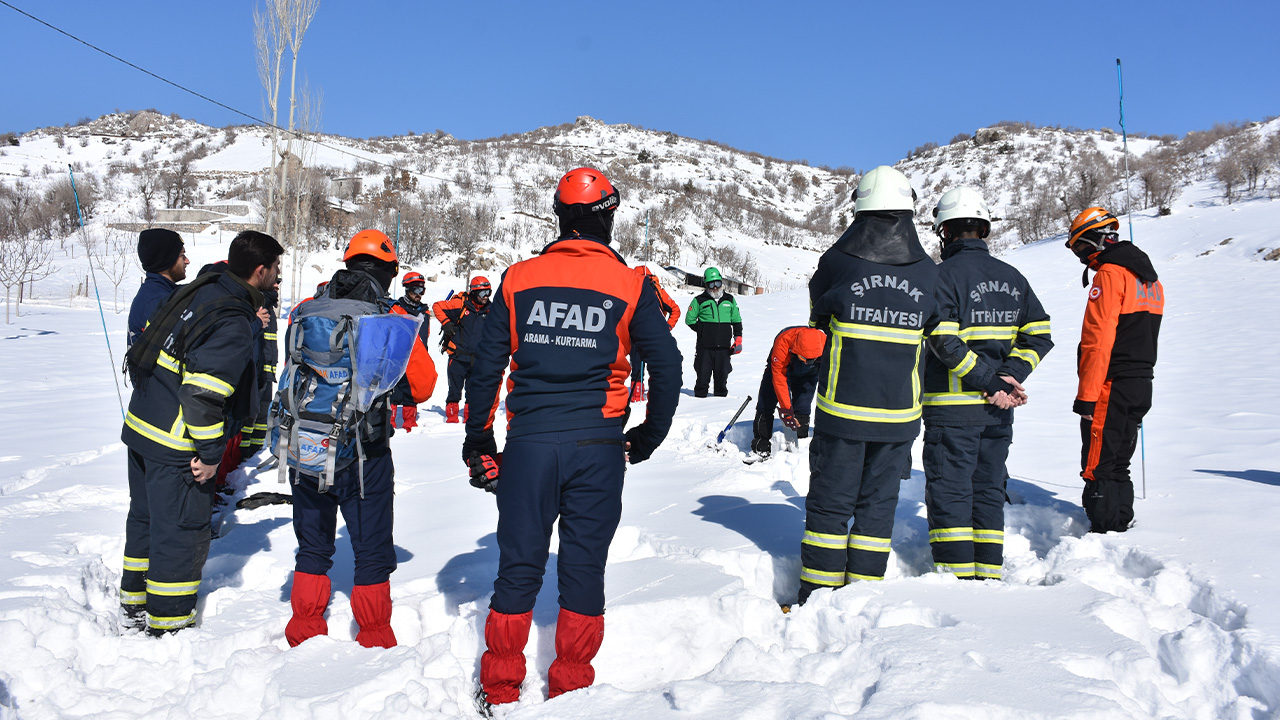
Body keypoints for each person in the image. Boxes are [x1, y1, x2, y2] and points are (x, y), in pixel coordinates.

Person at [463, 167, 681, 709]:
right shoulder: (631, 285)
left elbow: (486, 369)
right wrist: (647, 435)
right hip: (598, 448)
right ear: (608, 217)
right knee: (583, 567)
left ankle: (500, 688)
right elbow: (669, 368)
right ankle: (570, 691)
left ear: (559, 217)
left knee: (519, 565)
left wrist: (479, 441)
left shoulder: (518, 279)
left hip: (531, 444)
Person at [119, 230, 283, 635]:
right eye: (277, 268)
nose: (279, 275)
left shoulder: (204, 289)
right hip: (177, 443)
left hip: (143, 427)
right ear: (260, 271)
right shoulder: (232, 318)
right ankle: (168, 624)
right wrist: (210, 455)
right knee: (180, 531)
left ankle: (135, 601)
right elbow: (202, 394)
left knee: (146, 518)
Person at [283, 229, 437, 649]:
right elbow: (423, 387)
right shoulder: (391, 317)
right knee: (370, 549)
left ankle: (303, 630)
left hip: (307, 443)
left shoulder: (305, 309)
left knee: (312, 547)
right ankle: (374, 638)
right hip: (364, 453)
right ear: (389, 271)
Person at [799, 166, 940, 605]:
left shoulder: (836, 262)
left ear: (859, 208)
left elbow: (816, 316)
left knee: (830, 504)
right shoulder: (929, 274)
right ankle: (862, 596)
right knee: (877, 509)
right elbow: (937, 331)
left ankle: (818, 596)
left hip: (844, 411)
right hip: (899, 417)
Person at [921, 186, 1054, 580]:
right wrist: (1011, 377)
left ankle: (958, 579)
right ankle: (988, 573)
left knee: (951, 491)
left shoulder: (940, 276)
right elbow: (1040, 335)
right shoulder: (1013, 277)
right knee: (989, 490)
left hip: (954, 409)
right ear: (984, 229)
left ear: (945, 232)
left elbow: (944, 341)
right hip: (999, 412)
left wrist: (993, 382)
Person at [1066, 207, 1163, 533]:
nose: (1081, 256)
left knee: (1098, 464)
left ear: (1097, 240)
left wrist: (1087, 399)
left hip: (1111, 383)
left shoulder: (1109, 274)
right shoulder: (1149, 279)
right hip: (1141, 382)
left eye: (1080, 247)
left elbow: (1098, 340)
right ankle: (1120, 524)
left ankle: (1104, 532)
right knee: (1120, 461)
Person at [750, 326, 827, 459]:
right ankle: (761, 446)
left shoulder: (825, 342)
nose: (807, 362)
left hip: (809, 374)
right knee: (766, 401)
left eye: (811, 360)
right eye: (805, 358)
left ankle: (800, 445)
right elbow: (779, 379)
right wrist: (787, 411)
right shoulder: (783, 342)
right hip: (780, 368)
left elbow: (830, 374)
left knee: (803, 406)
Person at [433, 275, 492, 423]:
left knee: (473, 391)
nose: (486, 297)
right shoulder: (461, 304)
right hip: (458, 357)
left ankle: (468, 417)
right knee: (454, 390)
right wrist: (446, 323)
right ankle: (451, 418)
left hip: (477, 359)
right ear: (473, 292)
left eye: (488, 293)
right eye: (482, 293)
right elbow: (437, 306)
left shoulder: (491, 310)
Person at [685, 267, 742, 397]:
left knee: (722, 380)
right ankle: (699, 403)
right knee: (702, 379)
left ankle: (719, 405)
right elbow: (690, 319)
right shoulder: (699, 300)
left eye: (717, 283)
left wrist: (738, 339)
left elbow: (737, 320)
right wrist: (704, 330)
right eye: (711, 284)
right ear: (706, 285)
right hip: (704, 348)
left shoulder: (729, 300)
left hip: (724, 348)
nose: (715, 287)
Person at [127, 228, 189, 347]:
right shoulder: (157, 302)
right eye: (182, 256)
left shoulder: (157, 292)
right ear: (167, 260)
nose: (187, 261)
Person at [629, 265, 681, 402]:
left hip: (636, 333)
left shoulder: (631, 288)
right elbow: (675, 309)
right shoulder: (658, 289)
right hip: (655, 334)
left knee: (637, 365)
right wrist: (666, 328)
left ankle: (636, 395)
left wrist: (667, 328)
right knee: (658, 366)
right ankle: (658, 395)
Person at [389, 271, 432, 432]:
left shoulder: (424, 312)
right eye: (416, 290)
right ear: (407, 289)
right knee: (393, 391)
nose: (419, 294)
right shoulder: (395, 309)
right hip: (396, 358)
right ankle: (390, 422)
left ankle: (410, 424)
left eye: (422, 290)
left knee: (412, 391)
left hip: (417, 359)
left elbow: (425, 335)